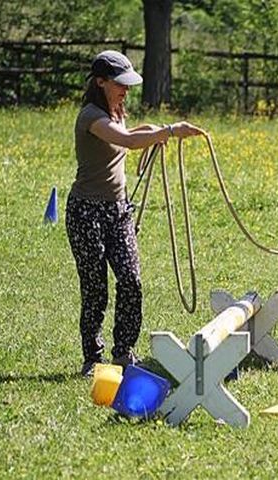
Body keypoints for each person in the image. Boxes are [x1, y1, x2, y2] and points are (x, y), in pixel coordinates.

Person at [66, 50, 205, 376]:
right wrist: (169, 131)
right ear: (100, 82)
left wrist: (151, 129)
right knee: (95, 287)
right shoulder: (90, 116)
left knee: (131, 280)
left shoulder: (116, 110)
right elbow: (126, 141)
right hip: (87, 212)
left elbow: (128, 135)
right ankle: (93, 357)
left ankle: (124, 351)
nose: (126, 90)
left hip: (118, 209)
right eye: (120, 84)